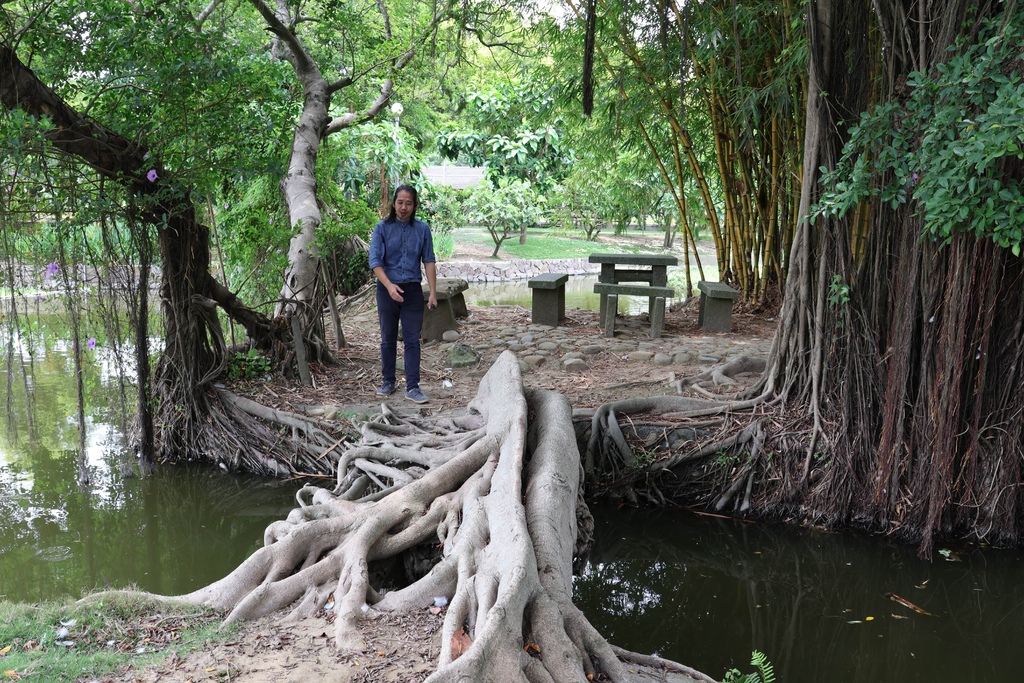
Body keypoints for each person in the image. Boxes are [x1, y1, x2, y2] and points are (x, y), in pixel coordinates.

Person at [368, 185, 438, 403]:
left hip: (412, 291)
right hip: (387, 289)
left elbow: (429, 260)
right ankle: (388, 382)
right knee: (388, 338)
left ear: (415, 205)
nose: (404, 207)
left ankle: (413, 387)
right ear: (393, 203)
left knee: (412, 340)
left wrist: (433, 292)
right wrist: (389, 286)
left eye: (409, 203)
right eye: (400, 202)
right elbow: (375, 262)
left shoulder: (423, 229)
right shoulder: (382, 228)